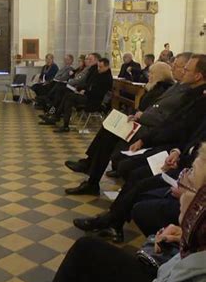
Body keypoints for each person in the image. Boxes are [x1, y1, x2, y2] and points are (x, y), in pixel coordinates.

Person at [12, 144, 206, 282]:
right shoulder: (193, 258)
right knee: (94, 258)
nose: (180, 192)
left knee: (92, 254)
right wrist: (184, 237)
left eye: (189, 181)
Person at [64, 53, 197, 195]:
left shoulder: (187, 92)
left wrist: (142, 116)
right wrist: (139, 114)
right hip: (144, 124)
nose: (174, 69)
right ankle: (89, 165)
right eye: (174, 65)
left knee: (110, 133)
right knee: (108, 125)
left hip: (149, 130)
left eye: (177, 66)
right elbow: (156, 108)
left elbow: (166, 118)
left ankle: (92, 179)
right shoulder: (177, 87)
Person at [43, 57, 113, 133]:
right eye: (98, 66)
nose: (98, 68)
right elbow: (89, 85)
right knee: (67, 94)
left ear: (107, 66)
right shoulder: (98, 73)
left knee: (69, 97)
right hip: (88, 96)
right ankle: (58, 118)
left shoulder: (107, 78)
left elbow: (98, 93)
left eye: (101, 67)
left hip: (93, 101)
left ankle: (61, 121)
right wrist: (81, 89)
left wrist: (85, 91)